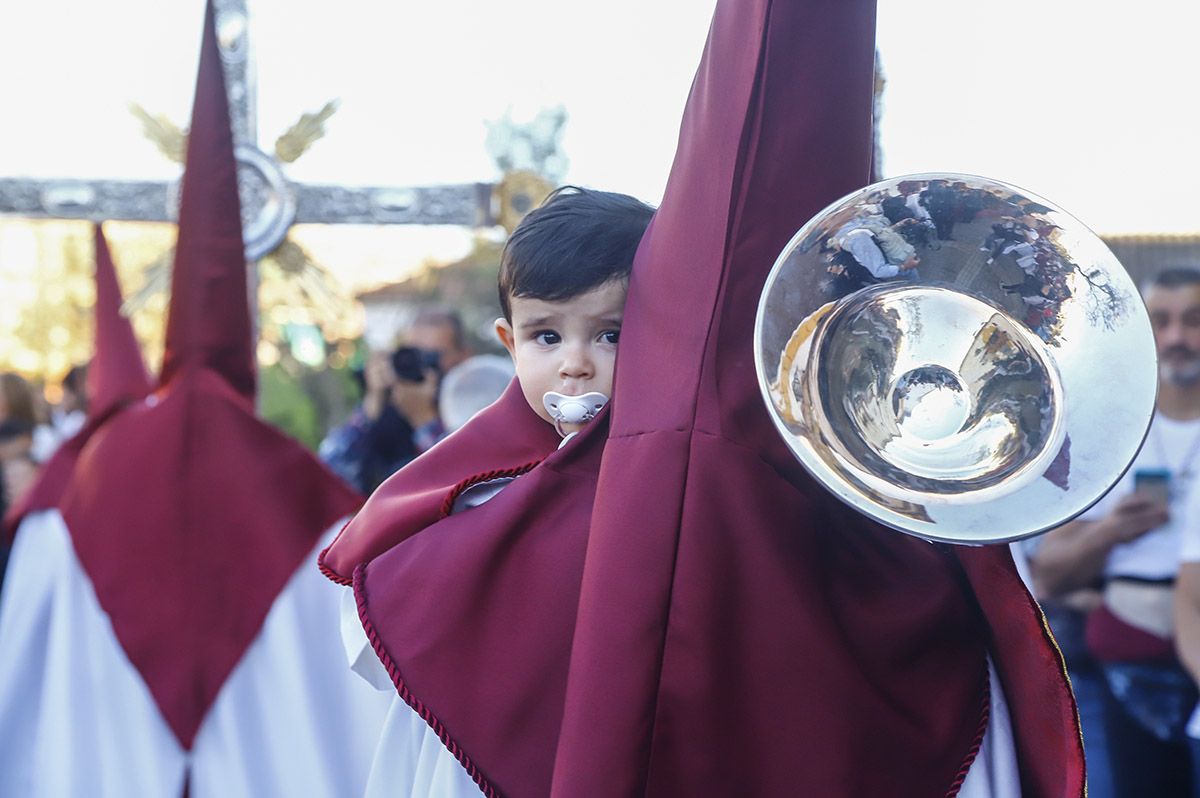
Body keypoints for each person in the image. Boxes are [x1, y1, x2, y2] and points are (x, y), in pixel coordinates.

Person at [323, 185, 653, 795]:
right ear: (510, 343)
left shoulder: (683, 478)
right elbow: (382, 603)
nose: (575, 364)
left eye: (611, 334)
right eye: (546, 337)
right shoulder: (476, 481)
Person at [1033, 267, 1200, 797]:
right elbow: (1050, 576)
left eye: (1194, 321)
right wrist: (1107, 533)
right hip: (1119, 675)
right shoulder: (1107, 436)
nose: (1177, 338)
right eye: (1163, 322)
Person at [319, 308, 470, 494]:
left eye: (431, 356)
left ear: (462, 357)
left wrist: (425, 421)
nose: (418, 365)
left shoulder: (474, 406)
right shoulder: (386, 411)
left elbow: (467, 481)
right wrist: (371, 406)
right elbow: (329, 479)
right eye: (411, 354)